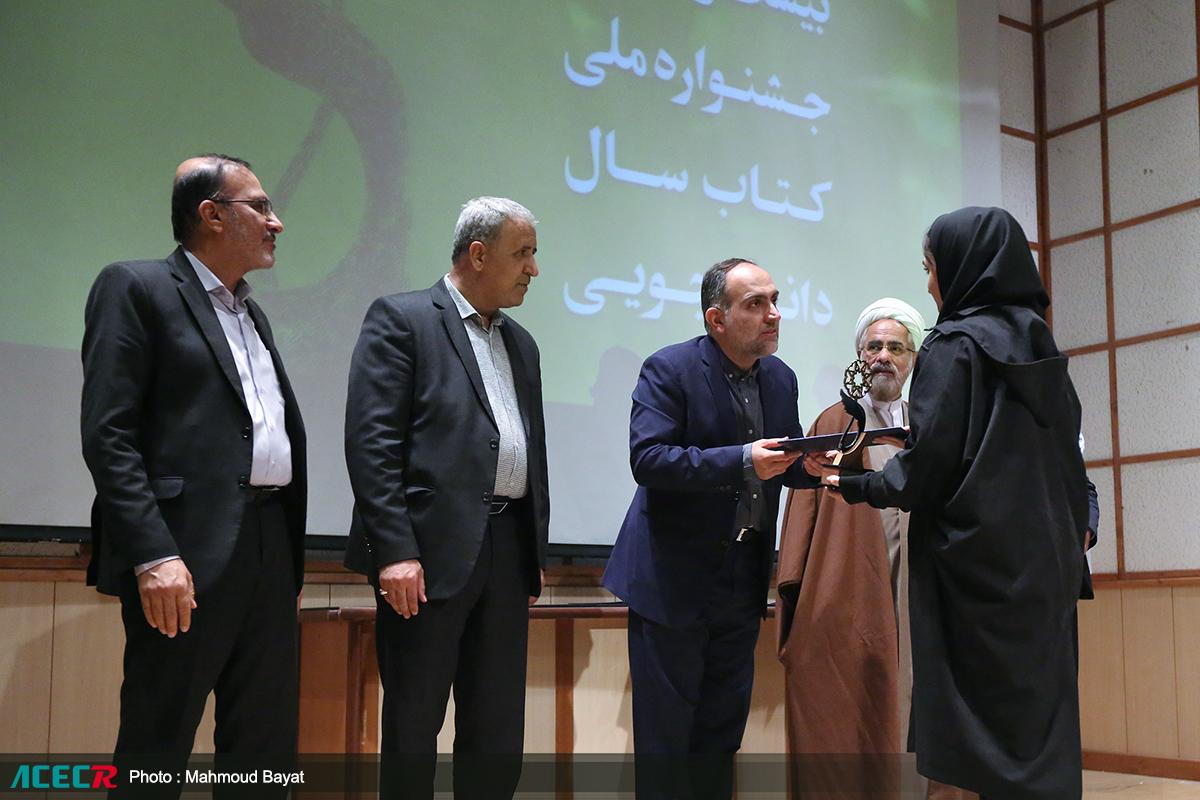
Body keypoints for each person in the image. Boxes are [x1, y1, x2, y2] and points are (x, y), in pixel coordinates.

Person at [810, 207, 1090, 799]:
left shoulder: (953, 345)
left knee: (980, 737)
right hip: (1046, 573)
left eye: (931, 268)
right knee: (1036, 733)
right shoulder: (1042, 345)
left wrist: (855, 485)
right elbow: (1070, 463)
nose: (930, 284)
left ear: (962, 268)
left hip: (975, 575)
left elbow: (927, 469)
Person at [81, 154, 307, 796]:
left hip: (267, 546)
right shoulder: (136, 287)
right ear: (211, 215)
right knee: (157, 743)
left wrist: (283, 558)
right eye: (259, 207)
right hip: (183, 552)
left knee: (263, 747)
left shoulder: (250, 312)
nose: (276, 222)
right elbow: (109, 434)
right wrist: (153, 554)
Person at [344, 197, 549, 800]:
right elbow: (372, 443)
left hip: (506, 552)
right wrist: (394, 551)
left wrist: (533, 548)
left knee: (497, 731)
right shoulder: (403, 319)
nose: (533, 269)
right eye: (523, 253)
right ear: (478, 255)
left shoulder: (523, 344)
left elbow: (530, 449)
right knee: (414, 726)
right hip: (426, 555)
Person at [603, 258, 818, 800]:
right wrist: (742, 459)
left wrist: (826, 463)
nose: (774, 314)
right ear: (716, 319)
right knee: (667, 745)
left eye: (775, 301)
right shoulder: (669, 369)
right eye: (756, 304)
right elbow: (649, 459)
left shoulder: (780, 377)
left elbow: (785, 464)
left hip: (741, 582)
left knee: (720, 740)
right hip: (672, 582)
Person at [777, 297, 979, 797]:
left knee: (918, 691)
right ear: (859, 356)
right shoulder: (834, 422)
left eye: (895, 347)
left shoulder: (927, 423)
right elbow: (803, 515)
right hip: (848, 589)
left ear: (913, 360)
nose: (883, 356)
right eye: (873, 347)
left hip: (919, 585)